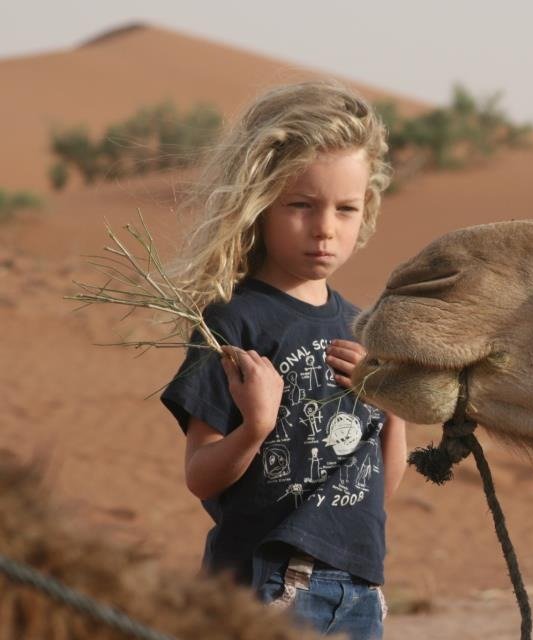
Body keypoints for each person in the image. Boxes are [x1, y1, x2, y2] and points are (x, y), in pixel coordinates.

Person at [160, 80, 407, 640]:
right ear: (260, 205)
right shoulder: (232, 322)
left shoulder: (361, 328)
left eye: (346, 209)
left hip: (360, 589)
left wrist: (393, 405)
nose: (325, 228)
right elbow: (199, 476)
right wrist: (256, 426)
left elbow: (374, 492)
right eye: (301, 205)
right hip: (264, 586)